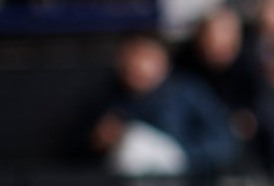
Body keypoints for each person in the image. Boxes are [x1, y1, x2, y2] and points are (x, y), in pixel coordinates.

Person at [178, 5, 274, 186]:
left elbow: (261, 97)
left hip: (242, 118)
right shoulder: (186, 60)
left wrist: (249, 117)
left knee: (272, 131)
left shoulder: (248, 58)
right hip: (202, 121)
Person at [85, 32, 239, 176]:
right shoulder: (110, 97)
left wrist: (181, 155)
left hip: (183, 185)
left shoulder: (187, 92)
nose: (136, 64)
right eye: (130, 57)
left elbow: (224, 142)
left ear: (162, 59)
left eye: (144, 56)